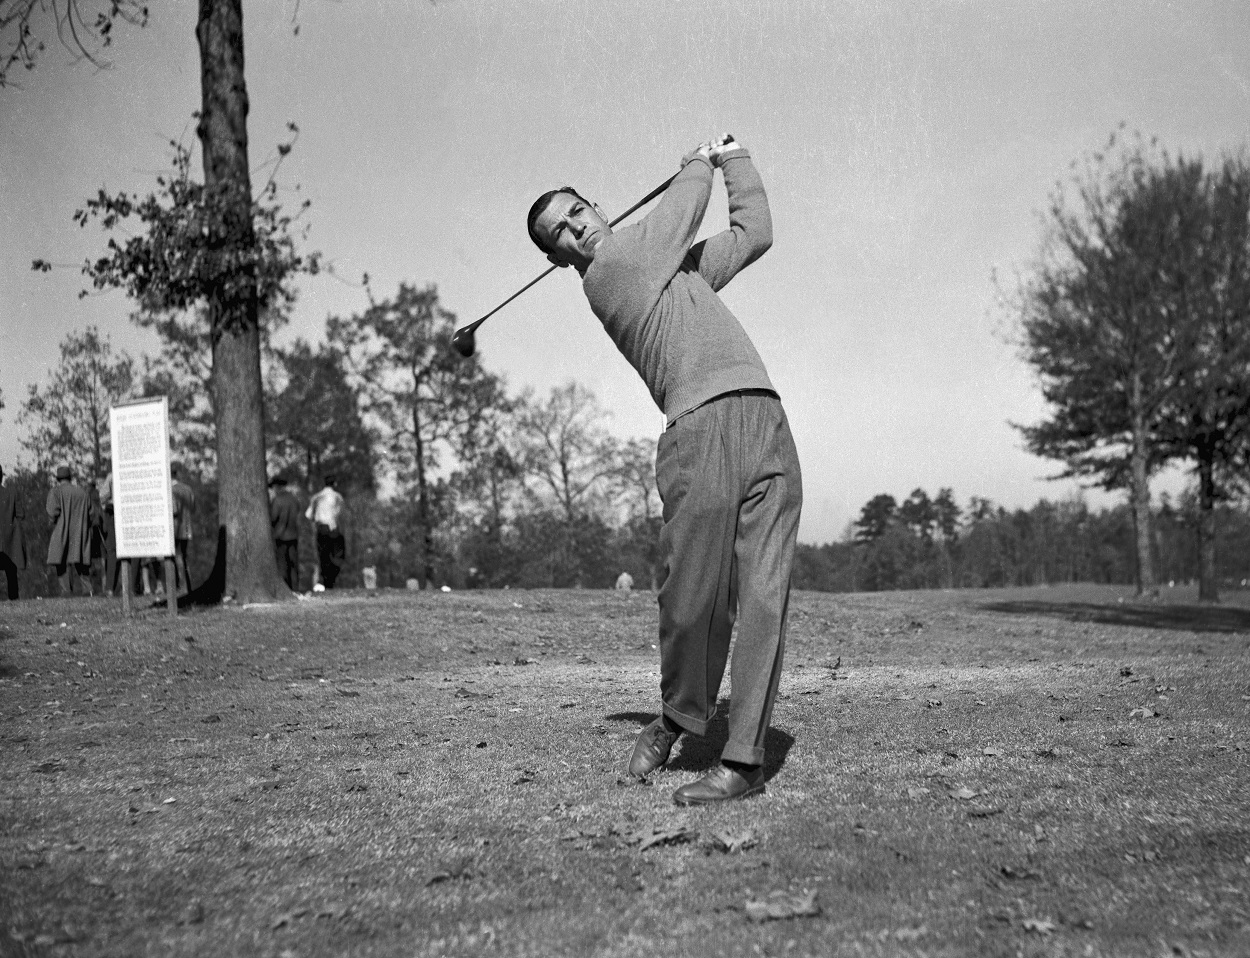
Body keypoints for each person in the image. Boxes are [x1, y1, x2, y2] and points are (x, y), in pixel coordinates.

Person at [527, 135, 802, 805]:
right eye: (560, 233)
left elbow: (754, 231)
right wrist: (699, 159)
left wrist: (737, 158)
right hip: (699, 429)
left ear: (596, 204)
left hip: (765, 416)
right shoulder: (614, 270)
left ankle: (742, 761)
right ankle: (679, 716)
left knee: (765, 595)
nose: (576, 229)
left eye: (576, 211)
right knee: (693, 600)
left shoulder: (669, 267)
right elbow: (687, 202)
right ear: (557, 258)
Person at [46, 465, 94, 596]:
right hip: (80, 530)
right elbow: (91, 513)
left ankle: (66, 590)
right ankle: (87, 589)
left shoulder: (55, 492)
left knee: (61, 559)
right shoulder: (82, 492)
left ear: (58, 478)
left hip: (62, 529)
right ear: (70, 477)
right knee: (81, 558)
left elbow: (52, 512)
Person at [305, 474, 345, 590]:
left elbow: (308, 515)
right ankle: (330, 581)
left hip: (321, 528)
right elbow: (340, 513)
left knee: (323, 556)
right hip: (333, 528)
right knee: (337, 555)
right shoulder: (338, 497)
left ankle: (325, 581)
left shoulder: (317, 497)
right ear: (335, 484)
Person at [269, 473, 301, 591]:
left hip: (281, 536)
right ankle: (295, 588)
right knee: (294, 563)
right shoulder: (293, 498)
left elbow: (273, 518)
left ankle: (286, 589)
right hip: (293, 535)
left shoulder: (277, 500)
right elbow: (297, 510)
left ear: (277, 486)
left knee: (283, 565)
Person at [0, 464, 27, 600]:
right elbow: (21, 514)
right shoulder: (11, 493)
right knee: (11, 571)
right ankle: (13, 598)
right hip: (9, 540)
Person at [170, 462, 196, 595]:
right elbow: (193, 507)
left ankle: (183, 586)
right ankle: (188, 584)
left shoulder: (171, 490)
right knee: (184, 557)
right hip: (187, 527)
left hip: (176, 527)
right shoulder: (188, 489)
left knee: (178, 556)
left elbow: (174, 510)